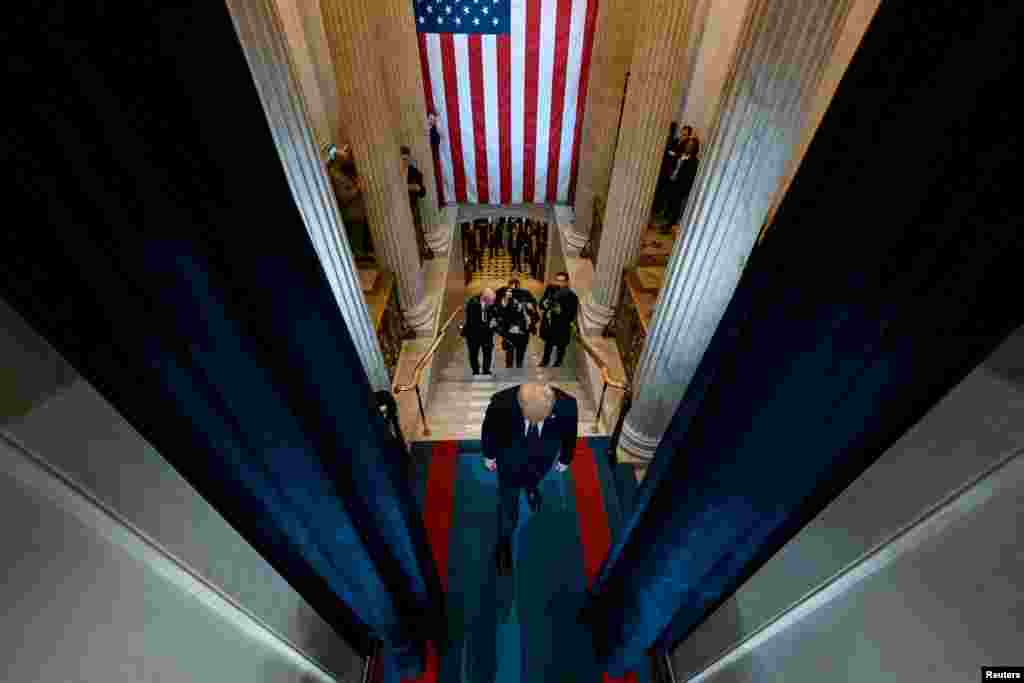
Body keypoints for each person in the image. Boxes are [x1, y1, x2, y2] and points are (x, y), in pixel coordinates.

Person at [482, 382, 579, 575]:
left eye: (541, 419)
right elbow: (489, 430)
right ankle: (504, 543)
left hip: (542, 459)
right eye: (531, 419)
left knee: (534, 478)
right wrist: (489, 455)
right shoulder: (501, 402)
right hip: (509, 460)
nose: (535, 423)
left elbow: (570, 433)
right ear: (521, 406)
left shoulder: (567, 404)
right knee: (507, 503)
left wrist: (566, 458)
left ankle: (531, 487)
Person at [538, 271, 578, 367]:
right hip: (549, 324)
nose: (559, 283)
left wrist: (560, 312)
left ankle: (558, 362)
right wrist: (544, 304)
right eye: (557, 280)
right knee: (548, 344)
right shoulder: (550, 289)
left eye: (562, 281)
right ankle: (545, 361)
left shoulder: (572, 296)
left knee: (561, 346)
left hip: (562, 327)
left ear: (567, 282)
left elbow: (571, 315)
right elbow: (541, 304)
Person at [495, 278, 537, 367]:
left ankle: (518, 367)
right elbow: (499, 312)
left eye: (516, 287)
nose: (514, 291)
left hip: (523, 331)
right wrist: (505, 300)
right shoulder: (504, 297)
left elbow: (534, 308)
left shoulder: (526, 294)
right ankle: (510, 368)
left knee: (520, 352)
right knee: (509, 353)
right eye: (511, 289)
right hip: (509, 332)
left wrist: (531, 307)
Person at [401, 146, 433, 261]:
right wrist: (406, 187)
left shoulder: (415, 172)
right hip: (398, 208)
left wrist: (418, 188)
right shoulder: (394, 174)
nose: (404, 161)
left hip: (412, 206)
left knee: (417, 229)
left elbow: (423, 192)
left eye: (406, 159)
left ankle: (421, 252)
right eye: (402, 159)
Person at [461, 288, 498, 375]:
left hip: (487, 334)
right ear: (484, 298)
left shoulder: (491, 302)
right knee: (473, 354)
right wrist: (489, 324)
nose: (492, 303)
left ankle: (486, 371)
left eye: (493, 300)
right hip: (473, 334)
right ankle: (476, 371)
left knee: (488, 352)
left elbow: (496, 313)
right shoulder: (472, 303)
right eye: (490, 301)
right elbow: (474, 322)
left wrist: (495, 320)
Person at [666, 136, 701, 228]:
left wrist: (684, 189)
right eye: (688, 144)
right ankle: (666, 219)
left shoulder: (694, 161)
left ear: (694, 148)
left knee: (676, 206)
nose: (688, 147)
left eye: (691, 146)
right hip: (671, 181)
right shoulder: (679, 155)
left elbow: (689, 177)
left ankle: (670, 224)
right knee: (669, 202)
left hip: (681, 186)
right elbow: (673, 165)